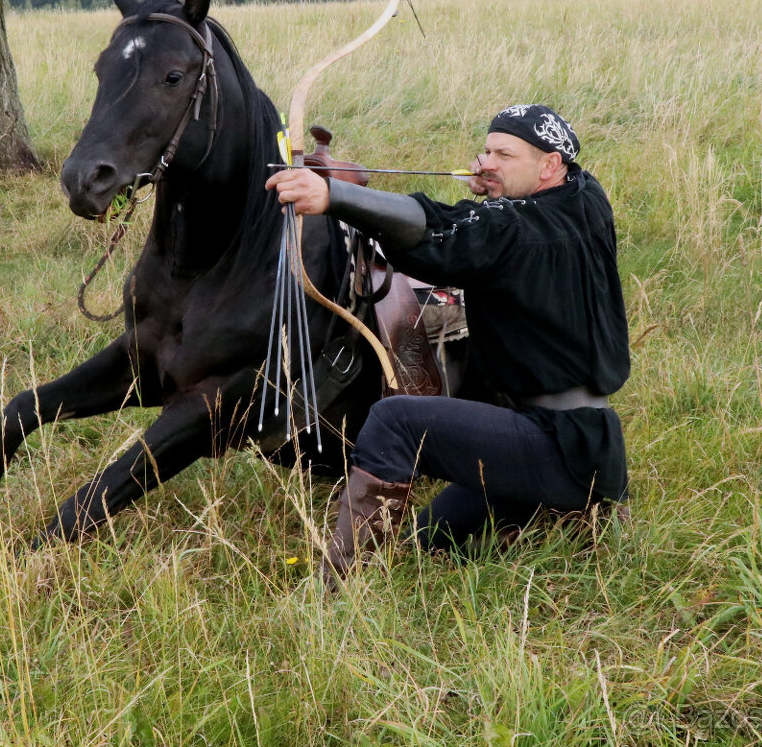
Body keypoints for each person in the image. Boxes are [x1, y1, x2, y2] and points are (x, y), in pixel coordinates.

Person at [266, 104, 630, 586]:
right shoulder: (586, 198)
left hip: (554, 443)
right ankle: (566, 518)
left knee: (395, 420)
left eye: (504, 155)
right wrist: (500, 184)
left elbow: (441, 232)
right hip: (589, 445)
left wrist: (334, 196)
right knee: (432, 539)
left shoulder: (511, 229)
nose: (487, 162)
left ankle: (340, 589)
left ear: (549, 164)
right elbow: (494, 224)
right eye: (487, 151)